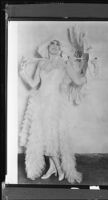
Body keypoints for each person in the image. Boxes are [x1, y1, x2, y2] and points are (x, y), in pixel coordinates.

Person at [19, 39, 87, 183]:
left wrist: (86, 66)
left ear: (61, 49)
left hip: (55, 104)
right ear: (48, 48)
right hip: (41, 103)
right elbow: (34, 83)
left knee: (52, 137)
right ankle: (52, 168)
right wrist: (22, 72)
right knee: (44, 137)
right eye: (52, 45)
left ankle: (60, 169)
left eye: (58, 46)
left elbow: (78, 81)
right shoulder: (41, 63)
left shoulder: (65, 64)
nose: (55, 48)